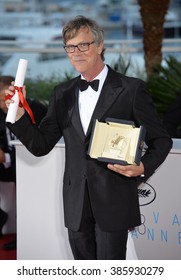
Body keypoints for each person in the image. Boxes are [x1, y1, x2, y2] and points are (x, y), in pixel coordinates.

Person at [5, 16, 172, 260]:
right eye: (70, 47)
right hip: (76, 204)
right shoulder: (62, 93)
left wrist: (143, 167)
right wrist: (19, 114)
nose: (76, 53)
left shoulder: (131, 89)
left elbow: (162, 140)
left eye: (83, 45)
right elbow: (41, 145)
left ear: (100, 45)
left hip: (113, 201)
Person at [0, 75, 47, 250]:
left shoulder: (37, 109)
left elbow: (44, 142)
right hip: (8, 165)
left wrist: (7, 157)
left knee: (30, 200)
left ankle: (30, 236)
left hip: (35, 164)